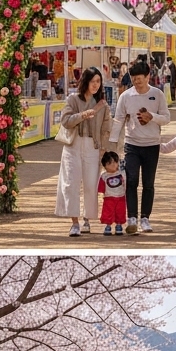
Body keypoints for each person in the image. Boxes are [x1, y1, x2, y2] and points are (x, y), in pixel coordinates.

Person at [109, 60, 170, 235]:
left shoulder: (157, 95)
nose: (136, 82)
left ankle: (145, 218)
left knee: (148, 183)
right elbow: (119, 119)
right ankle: (132, 218)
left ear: (148, 77)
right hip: (132, 145)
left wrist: (152, 117)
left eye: (140, 78)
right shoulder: (126, 96)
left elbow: (166, 118)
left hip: (152, 145)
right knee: (132, 180)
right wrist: (113, 143)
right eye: (133, 79)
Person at [55, 68, 112, 237]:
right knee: (71, 183)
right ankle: (74, 222)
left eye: (98, 82)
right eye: (93, 81)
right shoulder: (73, 99)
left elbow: (105, 128)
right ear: (85, 81)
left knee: (91, 184)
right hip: (73, 145)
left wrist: (103, 147)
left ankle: (87, 219)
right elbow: (65, 121)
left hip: (92, 147)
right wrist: (82, 115)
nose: (95, 85)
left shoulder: (102, 104)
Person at [97, 149, 127, 236]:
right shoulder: (104, 175)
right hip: (109, 197)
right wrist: (101, 193)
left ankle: (119, 225)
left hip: (121, 196)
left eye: (115, 162)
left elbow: (126, 181)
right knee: (108, 212)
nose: (113, 165)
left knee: (120, 212)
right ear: (105, 166)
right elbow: (101, 187)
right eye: (110, 163)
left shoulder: (121, 173)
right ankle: (108, 226)